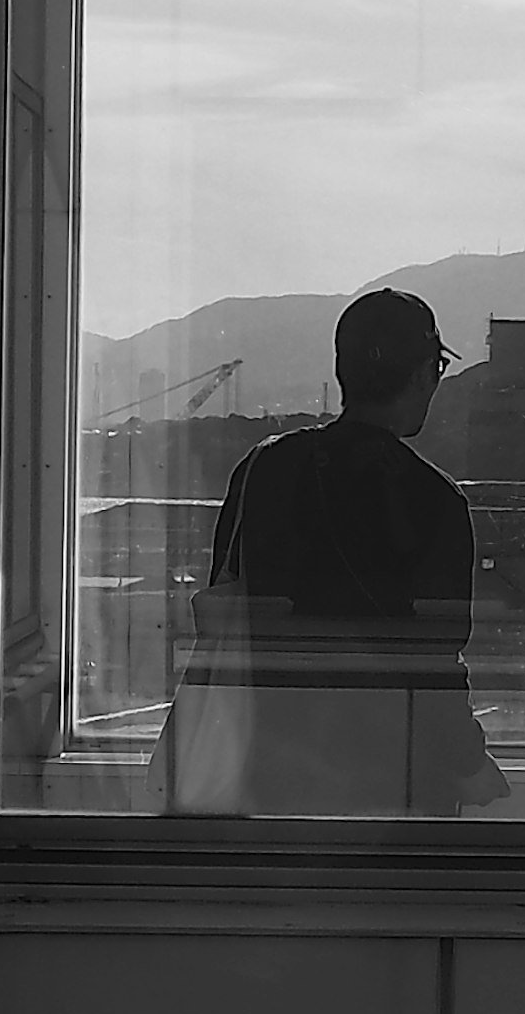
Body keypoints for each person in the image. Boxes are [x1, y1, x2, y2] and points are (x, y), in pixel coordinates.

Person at [185, 283, 505, 817]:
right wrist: (469, 763)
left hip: (268, 777)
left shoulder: (264, 470)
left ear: (343, 374)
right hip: (395, 787)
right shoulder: (433, 501)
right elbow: (434, 671)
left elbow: (225, 614)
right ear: (426, 373)